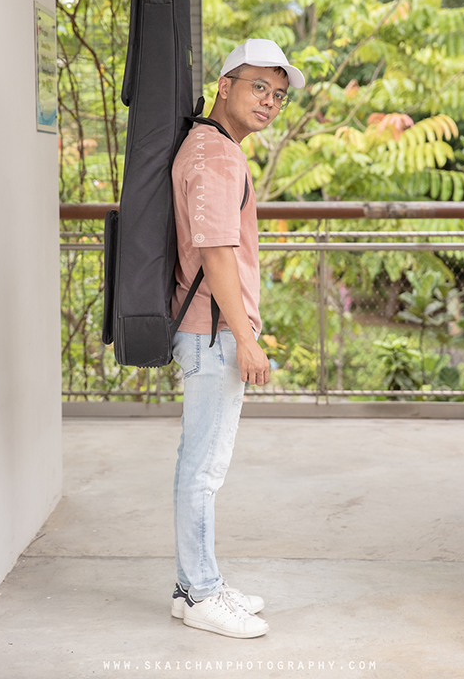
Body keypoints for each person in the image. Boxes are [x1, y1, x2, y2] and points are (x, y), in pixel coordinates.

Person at [169, 39, 305, 638]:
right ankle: (200, 594)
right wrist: (246, 338)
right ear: (225, 84)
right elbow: (217, 251)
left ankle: (192, 584)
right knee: (203, 471)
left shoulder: (209, 146)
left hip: (210, 327)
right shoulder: (218, 156)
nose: (269, 102)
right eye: (258, 87)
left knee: (201, 465)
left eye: (277, 94)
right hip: (214, 330)